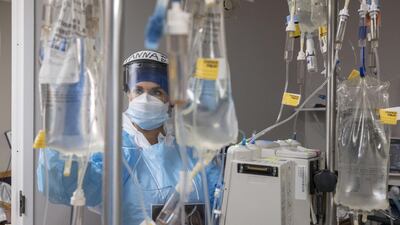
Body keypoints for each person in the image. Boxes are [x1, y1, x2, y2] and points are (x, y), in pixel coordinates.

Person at [37, 50, 221, 225]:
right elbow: (67, 185)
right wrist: (61, 125)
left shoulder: (189, 151)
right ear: (128, 94)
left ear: (170, 99)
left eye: (157, 92)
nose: (145, 99)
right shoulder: (116, 151)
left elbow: (222, 199)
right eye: (138, 90)